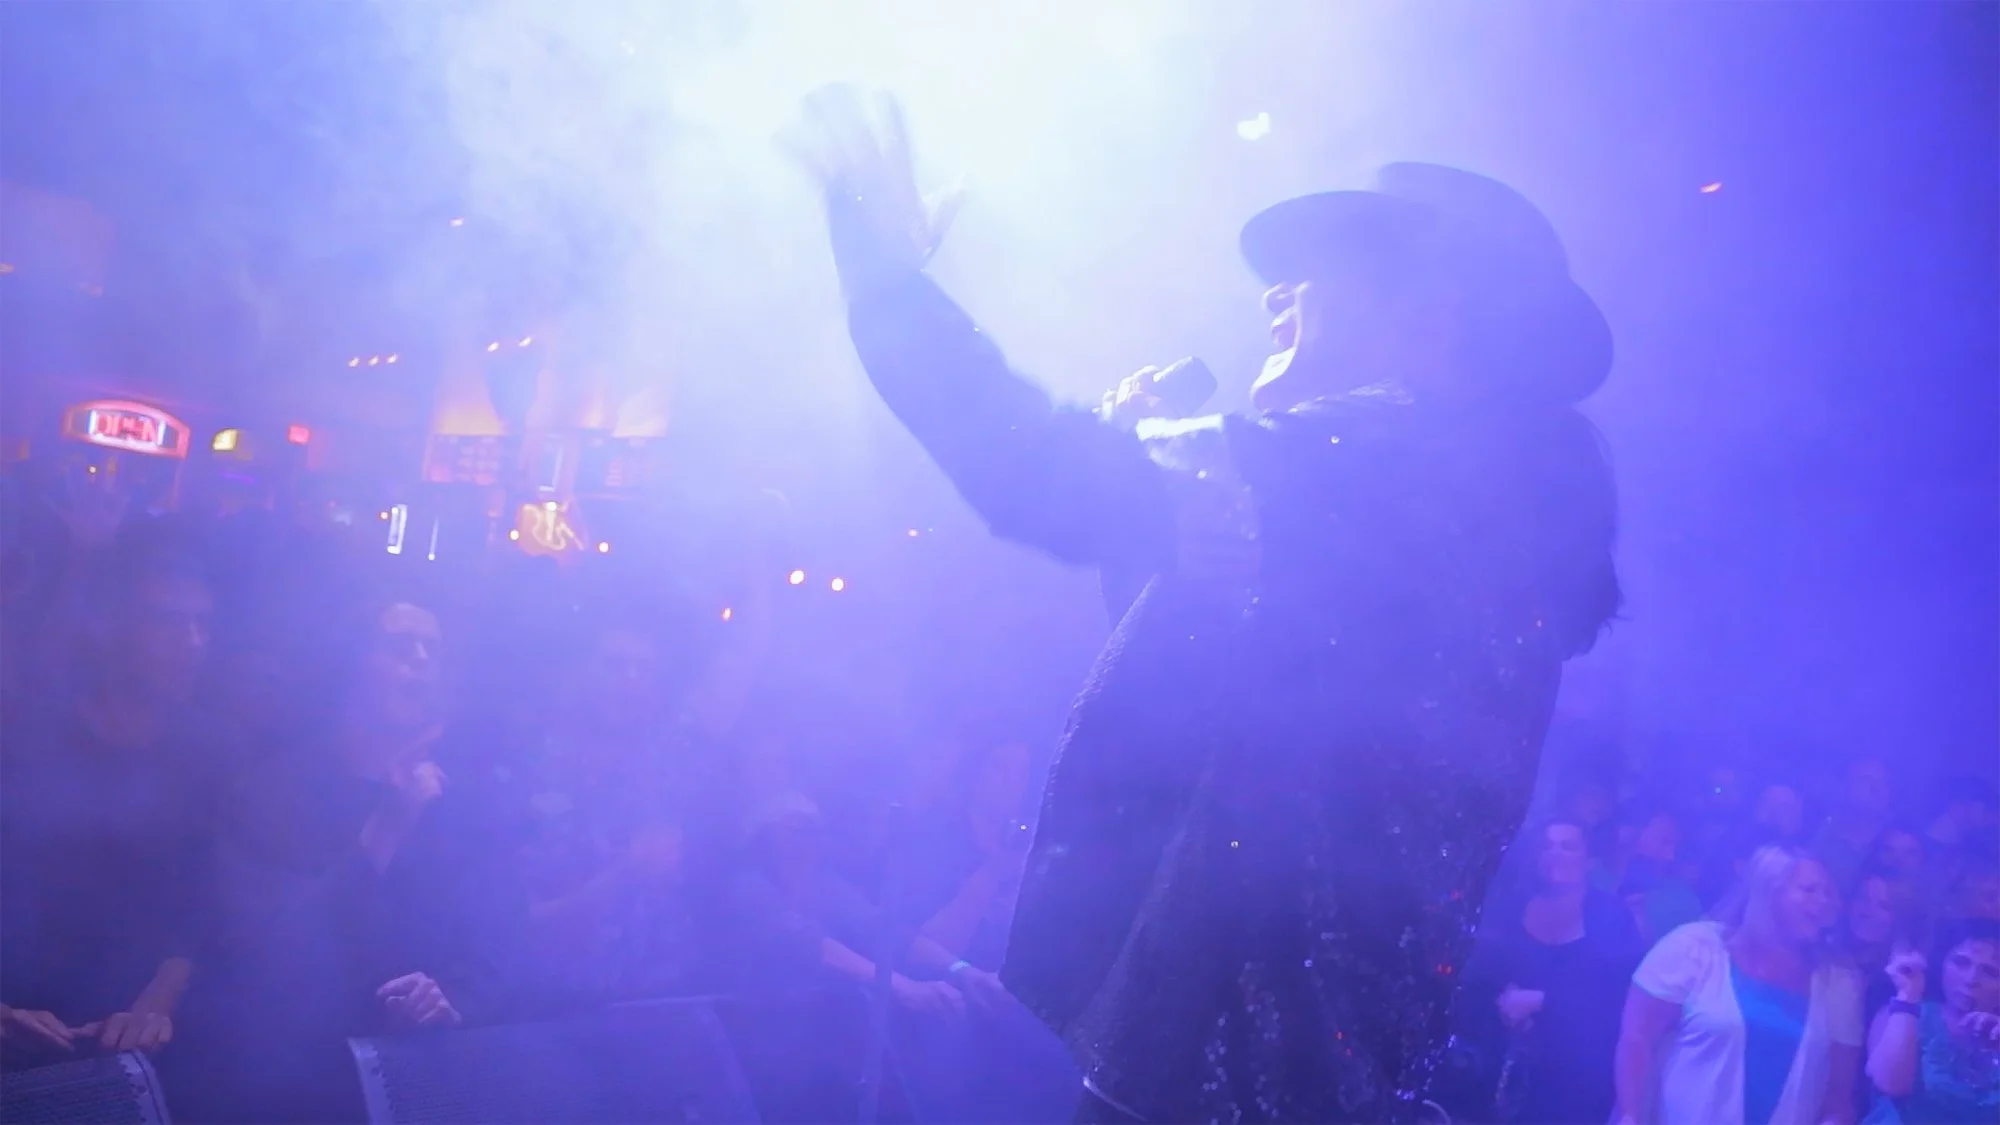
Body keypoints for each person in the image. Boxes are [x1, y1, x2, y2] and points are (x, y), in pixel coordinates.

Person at [785, 86, 1621, 1122]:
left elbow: (1035, 471)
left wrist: (881, 275)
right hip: (1305, 1078)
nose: (1275, 290)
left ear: (1428, 313)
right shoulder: (1464, 508)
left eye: (1318, 267)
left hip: (1231, 1077)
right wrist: (1177, 501)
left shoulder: (1381, 465)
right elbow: (1235, 711)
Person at [180, 594, 523, 1121]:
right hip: (296, 1088)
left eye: (432, 649)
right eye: (399, 646)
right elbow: (266, 957)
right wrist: (386, 829)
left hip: (429, 1086)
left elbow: (497, 948)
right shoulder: (272, 793)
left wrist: (450, 1004)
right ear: (348, 667)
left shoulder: (464, 800)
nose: (421, 661)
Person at [0, 540, 217, 1069]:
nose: (191, 643)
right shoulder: (24, 735)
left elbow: (201, 904)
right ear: (111, 630)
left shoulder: (207, 751)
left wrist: (155, 1004)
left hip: (121, 1043)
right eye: (167, 624)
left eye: (199, 625)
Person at [1614, 845, 1862, 1125]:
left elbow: (1839, 1095)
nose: (1823, 901)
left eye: (1829, 893)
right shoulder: (1695, 947)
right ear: (1768, 892)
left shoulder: (1838, 983)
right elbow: (1637, 1038)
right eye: (1809, 890)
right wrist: (1630, 1115)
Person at [1456, 818, 1643, 1123]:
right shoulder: (1509, 908)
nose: (1554, 852)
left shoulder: (1610, 916)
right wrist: (1501, 1007)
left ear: (1588, 858)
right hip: (1505, 1072)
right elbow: (1477, 979)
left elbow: (1620, 996)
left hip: (1577, 1079)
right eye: (1547, 845)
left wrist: (1543, 1000)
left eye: (1567, 846)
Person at [1862, 918, 2000, 1123]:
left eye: (1989, 972)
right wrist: (1908, 995)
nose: (1971, 979)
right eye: (1961, 963)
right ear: (1942, 963)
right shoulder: (1904, 1013)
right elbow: (1890, 1084)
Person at [1815, 758, 1897, 889]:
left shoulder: (1903, 838)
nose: (1876, 788)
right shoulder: (1824, 837)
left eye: (1883, 782)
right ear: (1846, 787)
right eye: (1865, 780)